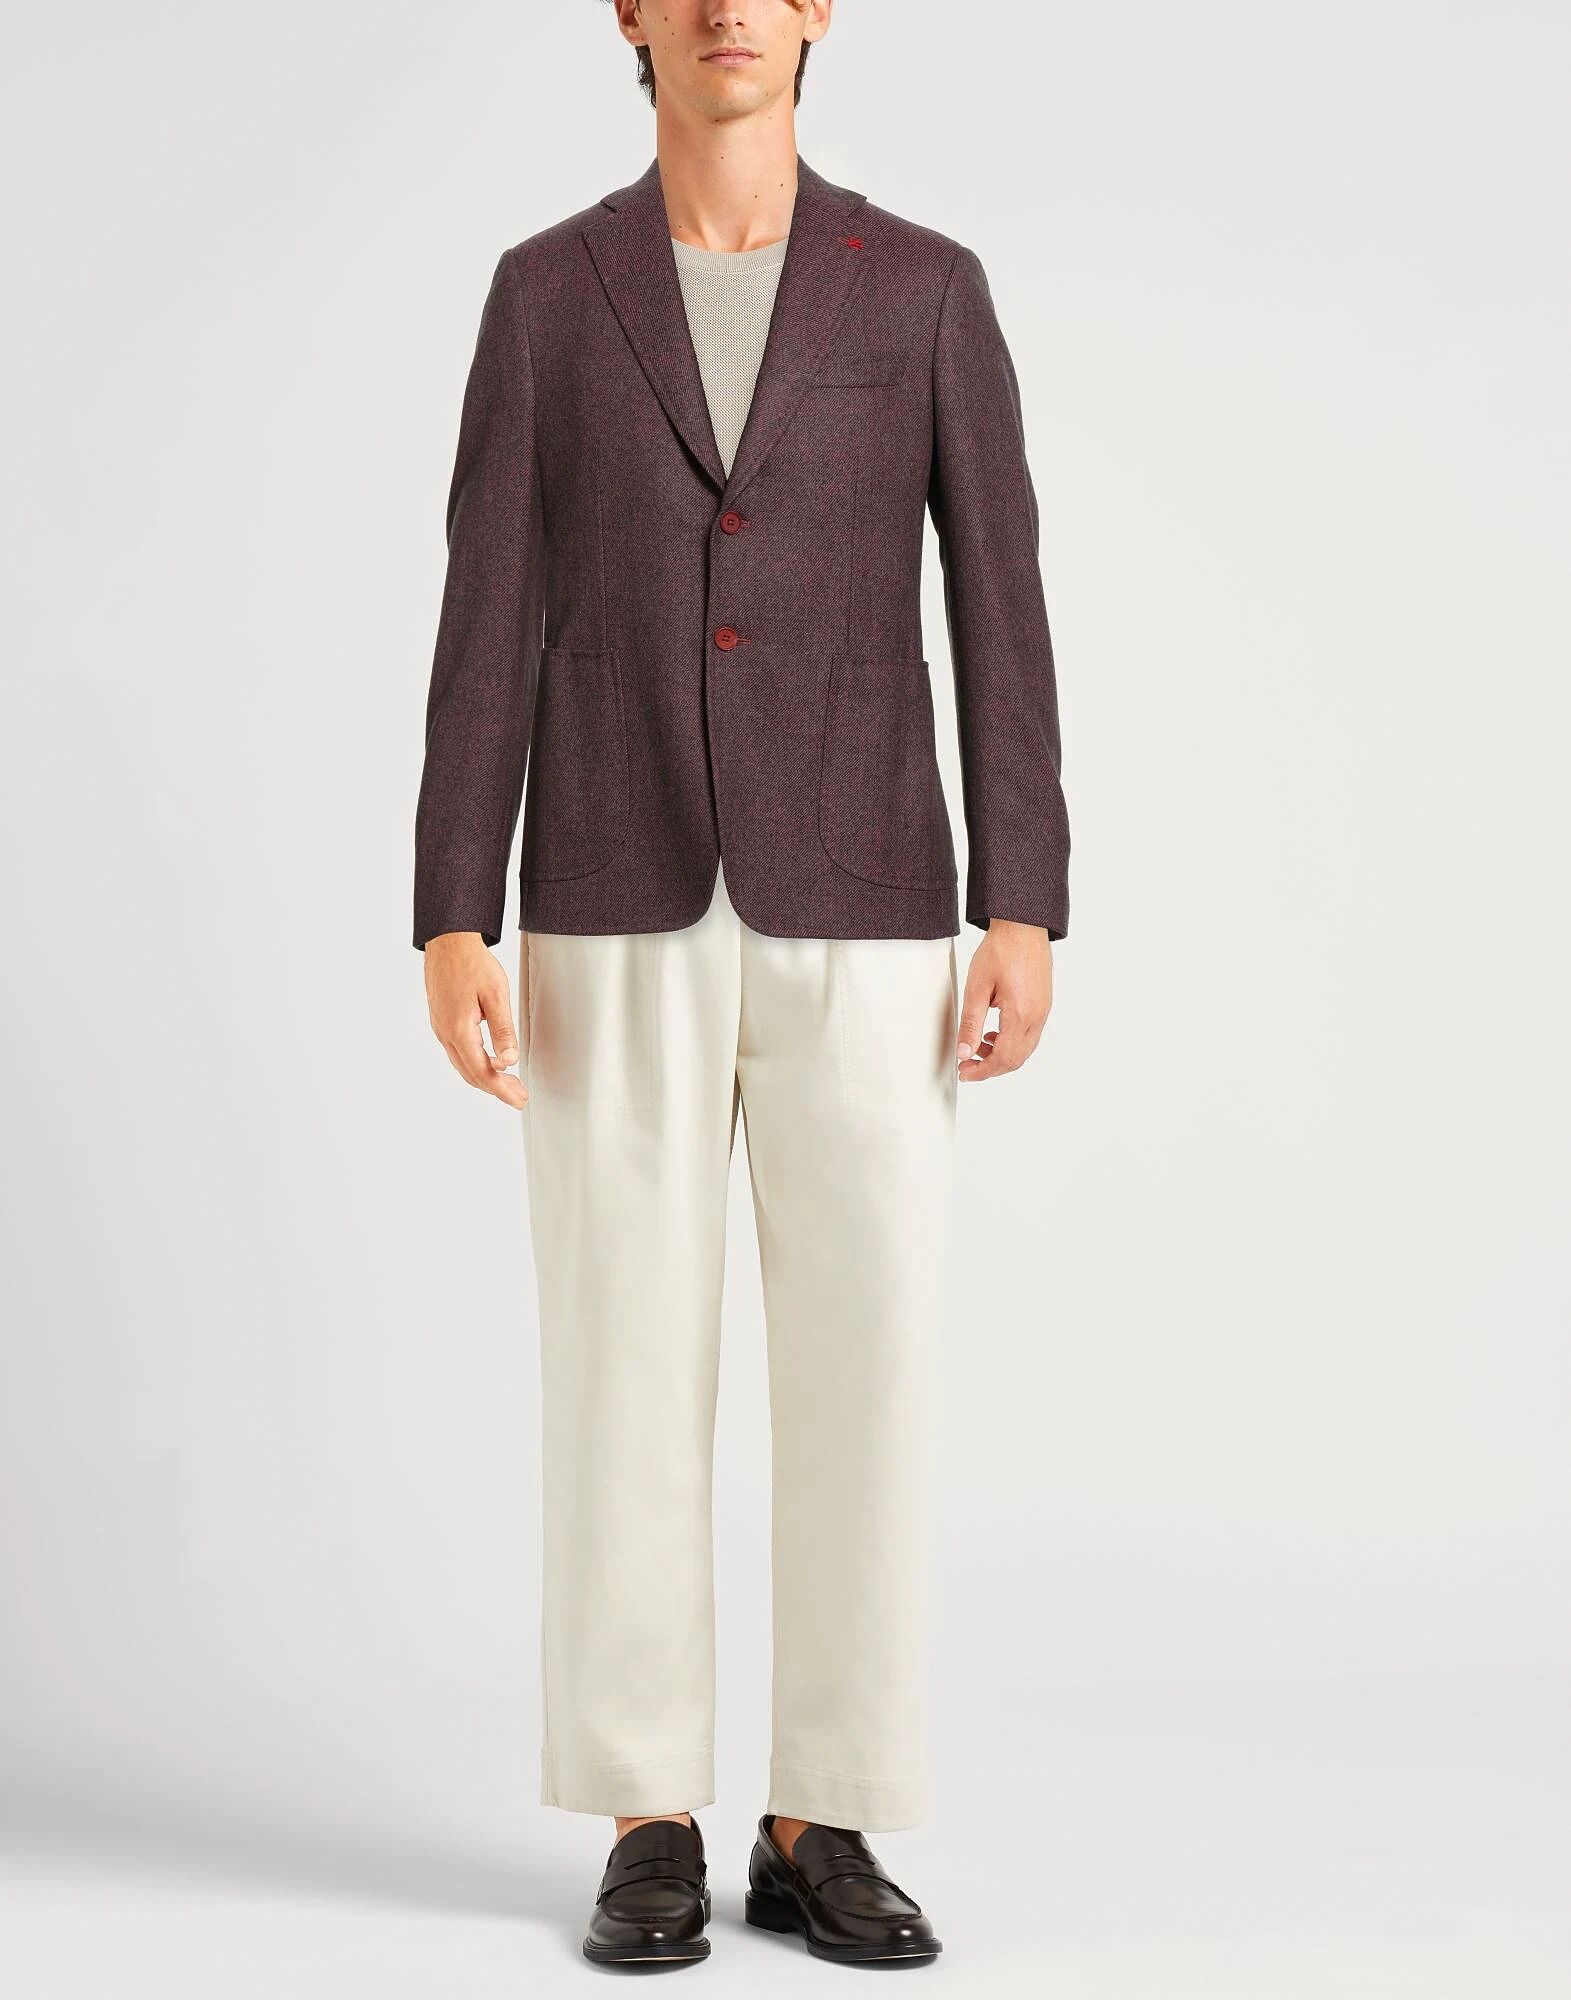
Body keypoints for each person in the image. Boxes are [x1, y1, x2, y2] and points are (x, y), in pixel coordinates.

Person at [413, 0, 1069, 1969]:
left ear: (815, 10)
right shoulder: (549, 295)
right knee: (622, 1353)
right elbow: (484, 602)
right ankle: (647, 1811)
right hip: (608, 876)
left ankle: (822, 1809)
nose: (726, 8)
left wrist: (1025, 897)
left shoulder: (926, 288)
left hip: (867, 889)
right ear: (629, 11)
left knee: (869, 1355)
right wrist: (450, 906)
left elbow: (999, 593)